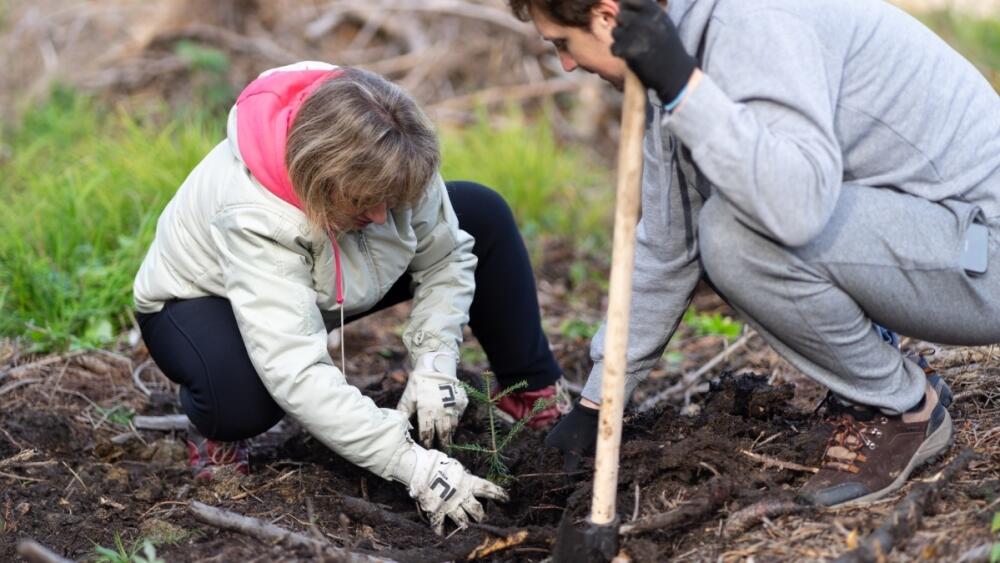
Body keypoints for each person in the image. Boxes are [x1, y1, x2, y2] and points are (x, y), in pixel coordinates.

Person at [508, 0, 1000, 507]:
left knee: (732, 235)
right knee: (722, 224)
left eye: (562, 43)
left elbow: (795, 208)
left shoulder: (748, 23)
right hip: (935, 236)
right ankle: (885, 376)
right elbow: (668, 243)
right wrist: (598, 401)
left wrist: (683, 87)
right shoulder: (672, 56)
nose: (566, 63)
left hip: (985, 251)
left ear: (607, 16)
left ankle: (902, 412)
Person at [133, 61, 569, 533]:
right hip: (201, 300)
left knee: (481, 214)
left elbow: (445, 257)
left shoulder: (393, 141)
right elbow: (295, 371)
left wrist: (435, 361)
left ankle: (530, 392)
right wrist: (410, 464)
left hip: (329, 274)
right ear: (324, 181)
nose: (384, 217)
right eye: (367, 203)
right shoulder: (254, 213)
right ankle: (215, 429)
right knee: (240, 401)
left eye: (393, 201)